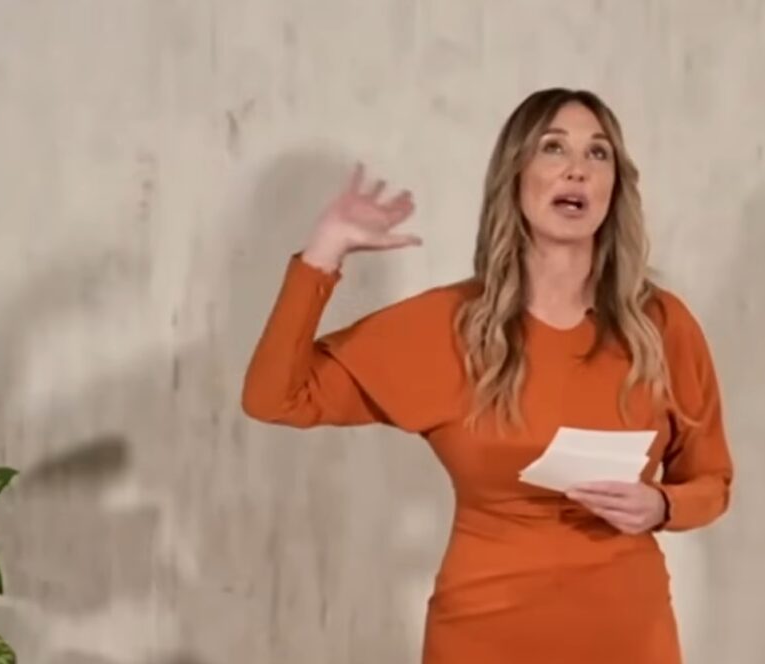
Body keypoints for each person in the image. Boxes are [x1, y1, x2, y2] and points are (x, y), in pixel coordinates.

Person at [241, 88, 733, 664]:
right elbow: (274, 397)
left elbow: (712, 481)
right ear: (515, 175)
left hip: (627, 635)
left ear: (614, 186)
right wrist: (324, 254)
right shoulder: (449, 326)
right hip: (482, 636)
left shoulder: (661, 325)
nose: (577, 168)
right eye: (554, 148)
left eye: (598, 153)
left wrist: (662, 506)